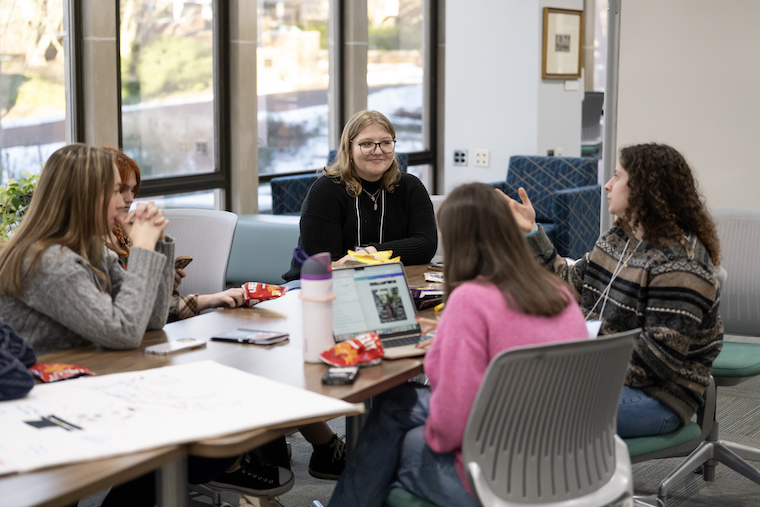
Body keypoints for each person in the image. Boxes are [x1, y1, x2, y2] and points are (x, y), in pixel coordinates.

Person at [0, 144, 293, 505]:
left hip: (81, 384)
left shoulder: (89, 249)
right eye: (115, 191)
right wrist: (141, 251)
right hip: (41, 403)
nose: (126, 200)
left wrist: (158, 244)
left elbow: (151, 320)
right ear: (85, 196)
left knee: (194, 443)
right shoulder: (49, 260)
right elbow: (123, 332)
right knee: (188, 452)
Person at [328, 183, 589, 507]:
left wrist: (444, 354)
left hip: (500, 477)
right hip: (568, 459)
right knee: (397, 401)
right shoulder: (557, 291)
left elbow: (451, 425)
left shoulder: (470, 300)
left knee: (394, 443)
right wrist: (453, 339)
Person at [504, 142, 723, 438]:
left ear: (646, 189)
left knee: (527, 408)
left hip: (658, 397)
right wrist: (530, 231)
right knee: (504, 390)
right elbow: (566, 285)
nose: (607, 185)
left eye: (617, 177)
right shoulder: (619, 237)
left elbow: (656, 362)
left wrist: (573, 367)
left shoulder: (680, 264)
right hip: (601, 372)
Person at [283, 110, 437, 281]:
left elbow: (425, 245)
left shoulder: (411, 186)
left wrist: (369, 253)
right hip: (316, 285)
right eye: (366, 144)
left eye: (385, 142)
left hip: (388, 281)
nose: (378, 151)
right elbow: (330, 265)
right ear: (349, 149)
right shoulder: (325, 190)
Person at [102, 147, 246, 321]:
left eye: (133, 190)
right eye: (120, 190)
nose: (130, 198)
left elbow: (148, 306)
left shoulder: (122, 236)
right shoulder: (90, 251)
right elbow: (129, 315)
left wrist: (163, 281)